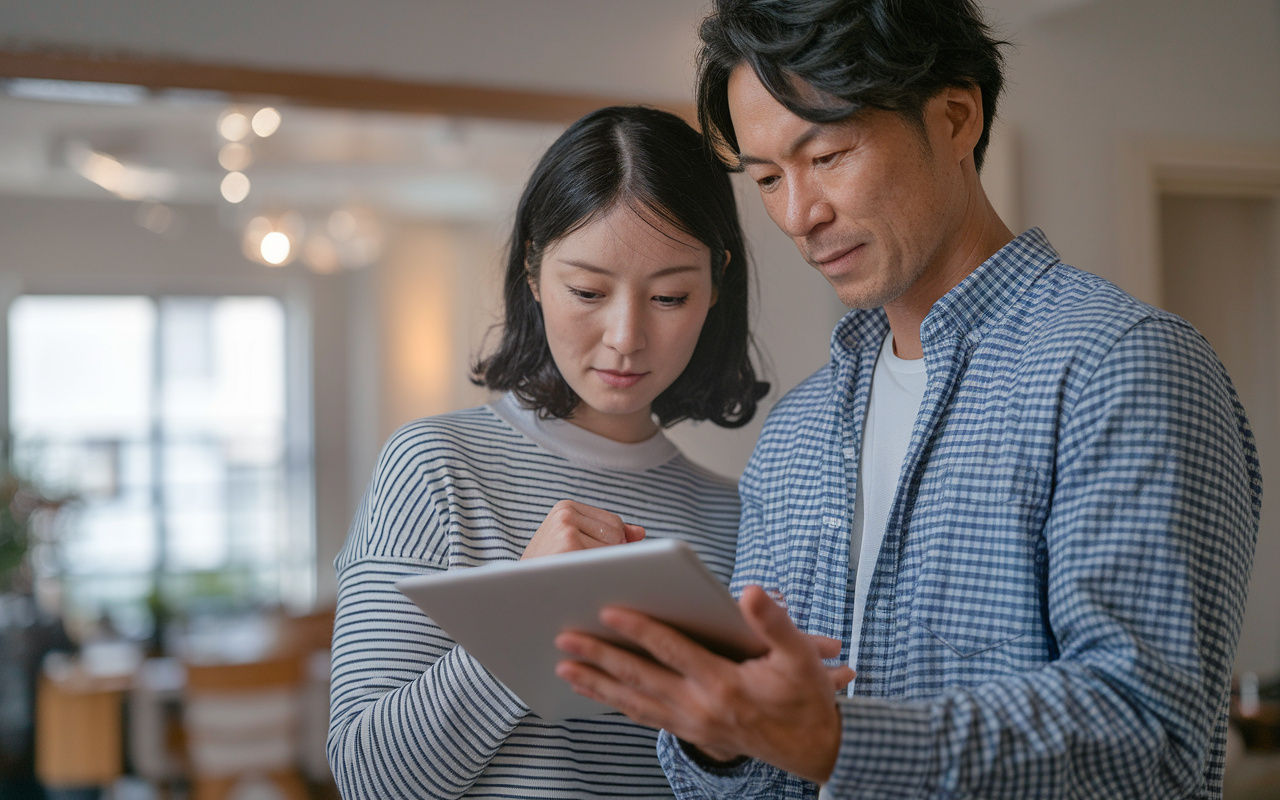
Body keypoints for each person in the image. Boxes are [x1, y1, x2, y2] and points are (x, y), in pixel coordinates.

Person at [553, 2, 1262, 798]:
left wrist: (836, 739)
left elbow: (1148, 741)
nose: (798, 215)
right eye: (766, 179)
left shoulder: (1118, 367)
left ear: (956, 119)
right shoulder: (796, 433)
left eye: (827, 155)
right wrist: (721, 734)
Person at [326, 105, 770, 799]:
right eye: (588, 291)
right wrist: (530, 610)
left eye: (670, 296)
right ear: (533, 272)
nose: (626, 336)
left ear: (716, 287)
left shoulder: (733, 513)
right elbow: (369, 779)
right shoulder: (436, 468)